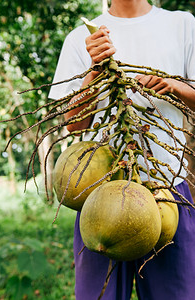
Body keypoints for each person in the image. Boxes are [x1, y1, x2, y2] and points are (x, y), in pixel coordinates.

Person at [49, 1, 195, 299]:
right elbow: (74, 125)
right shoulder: (81, 38)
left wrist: (173, 86)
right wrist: (94, 72)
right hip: (102, 199)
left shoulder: (183, 25)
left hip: (166, 194)